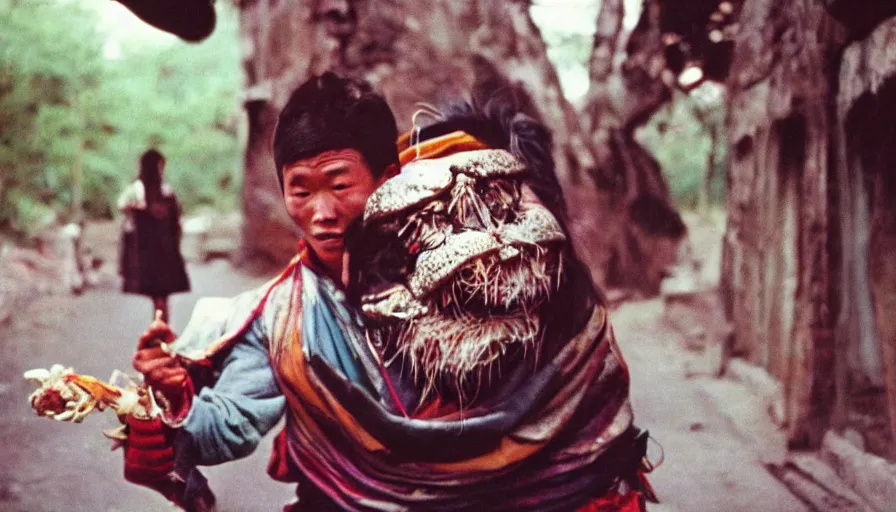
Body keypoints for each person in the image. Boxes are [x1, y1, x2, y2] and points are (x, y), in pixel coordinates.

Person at [125, 73, 654, 511]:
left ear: (388, 176)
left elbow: (563, 360)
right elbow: (227, 428)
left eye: (339, 184)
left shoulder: (477, 256)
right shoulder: (284, 316)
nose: (321, 212)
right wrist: (174, 394)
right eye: (300, 190)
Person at [118, 149, 190, 323]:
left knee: (160, 296)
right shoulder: (140, 191)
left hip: (155, 250)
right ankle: (160, 330)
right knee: (160, 296)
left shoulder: (158, 191)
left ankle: (160, 330)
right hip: (155, 250)